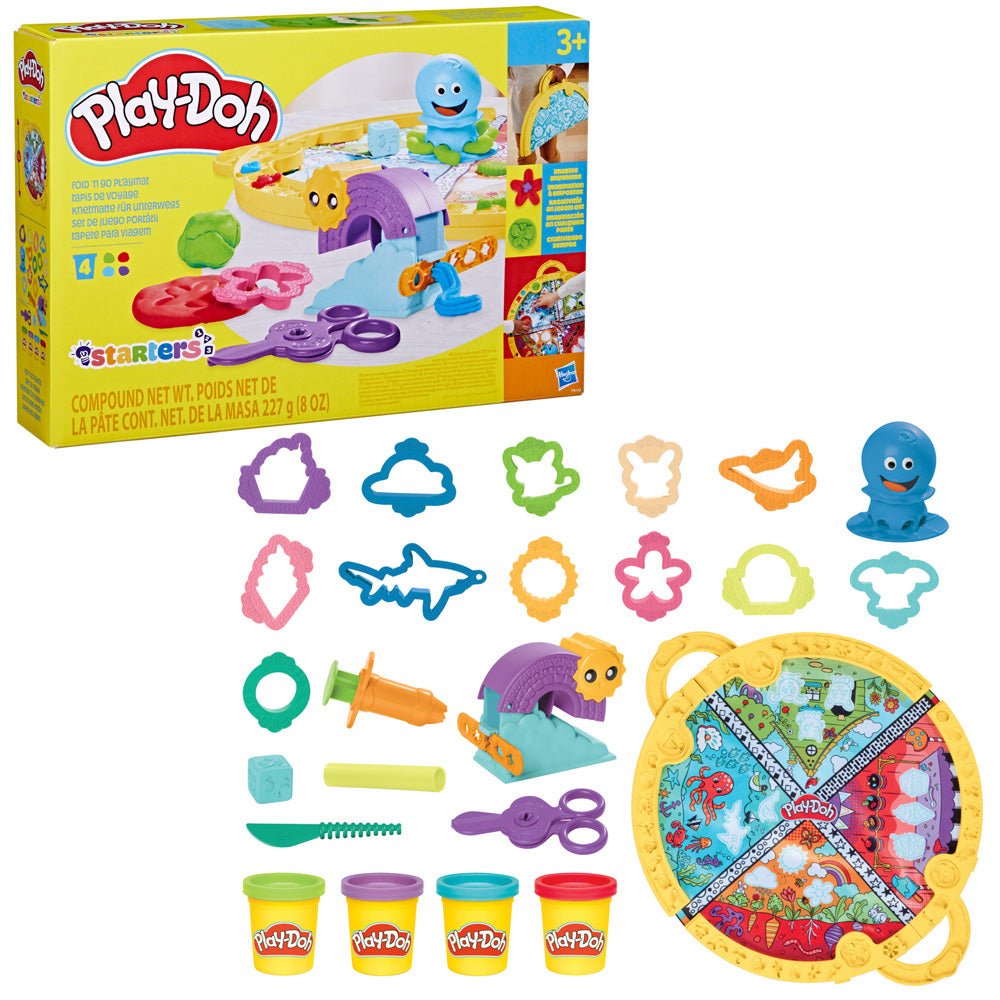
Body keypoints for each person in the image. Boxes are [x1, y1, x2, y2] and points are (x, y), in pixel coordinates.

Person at [508, 64, 571, 164]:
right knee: (526, 159)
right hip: (522, 114)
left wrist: (564, 69)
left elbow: (573, 55)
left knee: (549, 155)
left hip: (546, 112)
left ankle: (556, 172)